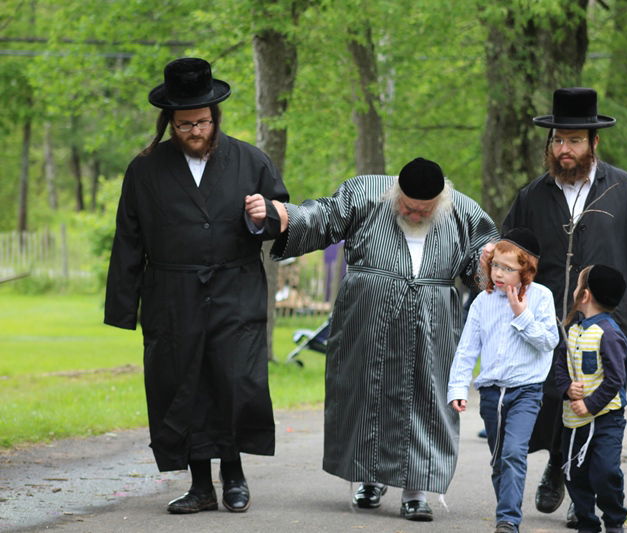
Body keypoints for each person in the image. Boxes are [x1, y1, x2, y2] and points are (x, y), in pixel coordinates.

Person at [104, 57, 289, 514]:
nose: (194, 132)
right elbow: (128, 238)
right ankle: (200, 485)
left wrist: (262, 215)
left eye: (202, 122)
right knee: (181, 384)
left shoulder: (250, 160)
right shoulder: (145, 171)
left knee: (233, 380)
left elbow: (282, 218)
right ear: (169, 121)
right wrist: (124, 307)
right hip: (172, 293)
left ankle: (235, 475)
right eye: (184, 124)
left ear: (215, 117)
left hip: (235, 287)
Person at [270, 157, 497, 522]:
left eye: (425, 210)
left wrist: (489, 262)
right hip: (366, 317)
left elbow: (484, 260)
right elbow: (325, 216)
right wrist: (286, 216)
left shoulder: (462, 211)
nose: (417, 215)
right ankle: (369, 478)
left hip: (432, 321)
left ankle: (416, 491)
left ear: (440, 201)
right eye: (408, 207)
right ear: (397, 193)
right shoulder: (366, 193)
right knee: (366, 391)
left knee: (425, 398)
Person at [497, 87, 627, 524]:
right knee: (557, 392)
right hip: (547, 317)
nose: (564, 149)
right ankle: (560, 464)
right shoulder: (533, 195)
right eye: (558, 140)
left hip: (607, 318)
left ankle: (583, 497)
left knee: (599, 395)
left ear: (594, 143)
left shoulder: (623, 188)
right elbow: (507, 247)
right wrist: (497, 285)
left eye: (574, 141)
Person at [447, 228, 559, 533]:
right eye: (495, 265)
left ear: (526, 270)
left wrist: (521, 314)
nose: (498, 273)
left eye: (508, 268)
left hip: (526, 392)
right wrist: (458, 388)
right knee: (499, 459)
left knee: (513, 453)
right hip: (491, 394)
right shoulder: (483, 301)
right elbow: (467, 348)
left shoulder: (541, 298)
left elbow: (549, 341)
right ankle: (506, 512)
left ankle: (508, 520)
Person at [554, 265, 627, 533]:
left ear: (584, 295)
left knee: (605, 471)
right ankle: (586, 522)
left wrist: (589, 403)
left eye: (577, 285)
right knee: (574, 474)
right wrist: (566, 389)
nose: (573, 290)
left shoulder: (608, 333)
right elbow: (560, 367)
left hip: (606, 419)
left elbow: (615, 378)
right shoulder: (572, 330)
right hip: (574, 421)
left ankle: (614, 520)